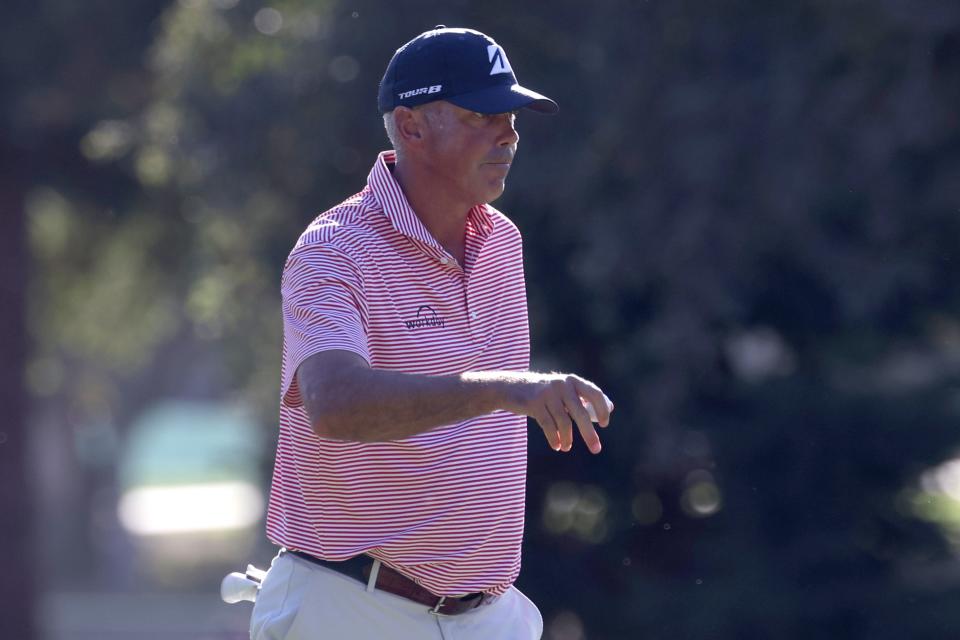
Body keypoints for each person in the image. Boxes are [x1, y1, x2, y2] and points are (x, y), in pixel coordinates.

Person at [249, 26, 614, 640]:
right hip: (349, 606)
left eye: (512, 116)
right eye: (482, 115)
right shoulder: (332, 250)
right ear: (411, 126)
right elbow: (335, 406)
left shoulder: (502, 242)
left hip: (487, 615)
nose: (509, 134)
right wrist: (501, 390)